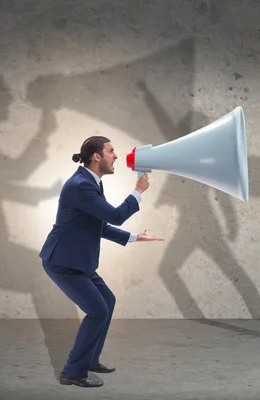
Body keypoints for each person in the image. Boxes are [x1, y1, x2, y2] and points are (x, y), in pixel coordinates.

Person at [39, 136, 164, 388]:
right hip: (63, 261)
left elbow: (100, 225)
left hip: (78, 262)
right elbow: (116, 216)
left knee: (107, 301)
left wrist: (134, 237)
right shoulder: (80, 186)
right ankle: (73, 372)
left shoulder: (91, 182)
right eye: (111, 151)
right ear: (96, 156)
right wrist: (137, 191)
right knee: (97, 311)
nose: (116, 156)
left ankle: (90, 359)